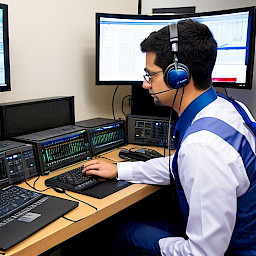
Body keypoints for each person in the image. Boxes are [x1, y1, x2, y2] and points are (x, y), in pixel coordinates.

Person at [83, 19, 256, 255]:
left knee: (118, 230)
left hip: (230, 250)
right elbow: (180, 164)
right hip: (233, 235)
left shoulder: (202, 148)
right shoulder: (226, 107)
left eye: (150, 75)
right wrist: (119, 170)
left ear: (179, 77)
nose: (145, 84)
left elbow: (202, 254)